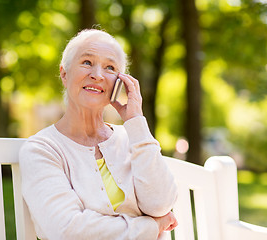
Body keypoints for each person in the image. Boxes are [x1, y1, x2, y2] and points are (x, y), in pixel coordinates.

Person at [19, 29, 178, 240]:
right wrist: (151, 228)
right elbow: (66, 230)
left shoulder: (132, 138)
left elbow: (161, 204)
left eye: (110, 68)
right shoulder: (41, 149)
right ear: (64, 74)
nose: (97, 75)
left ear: (120, 82)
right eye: (86, 62)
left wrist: (136, 121)